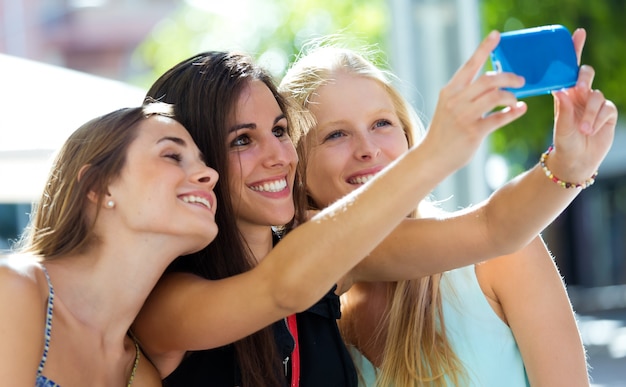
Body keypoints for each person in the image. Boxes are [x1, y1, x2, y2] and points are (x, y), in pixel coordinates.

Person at [134, 29, 615, 386]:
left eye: (280, 131)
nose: (276, 155)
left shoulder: (336, 263)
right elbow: (282, 285)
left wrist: (569, 163)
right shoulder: (172, 297)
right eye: (242, 140)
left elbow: (494, 228)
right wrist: (436, 153)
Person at [278, 27, 617, 386]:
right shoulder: (310, 299)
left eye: (382, 123)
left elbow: (495, 225)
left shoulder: (504, 259)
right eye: (336, 134)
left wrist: (571, 164)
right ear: (295, 166)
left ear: (409, 136)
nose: (368, 148)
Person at [0, 103, 218, 386]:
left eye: (203, 162)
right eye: (172, 155)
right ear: (98, 186)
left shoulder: (140, 376)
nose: (210, 175)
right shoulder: (14, 289)